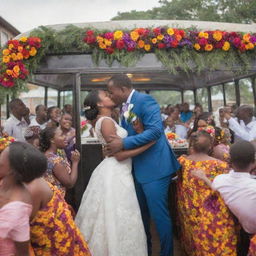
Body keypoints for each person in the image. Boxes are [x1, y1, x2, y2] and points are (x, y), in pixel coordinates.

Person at [105, 74, 180, 256]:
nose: (110, 96)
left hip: (155, 166)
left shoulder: (145, 100)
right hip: (136, 167)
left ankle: (166, 253)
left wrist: (123, 143)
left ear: (123, 89)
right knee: (141, 215)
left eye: (111, 92)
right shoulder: (124, 106)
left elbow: (155, 131)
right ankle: (145, 250)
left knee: (158, 215)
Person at [75, 90, 150, 256]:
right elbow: (119, 154)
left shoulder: (109, 119)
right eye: (106, 96)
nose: (110, 96)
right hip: (116, 172)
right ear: (100, 104)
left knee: (116, 213)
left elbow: (118, 147)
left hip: (118, 170)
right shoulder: (106, 121)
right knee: (118, 212)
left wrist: (138, 132)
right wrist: (148, 143)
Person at [177, 131, 238, 255]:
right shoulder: (220, 165)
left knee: (192, 232)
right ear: (210, 147)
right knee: (209, 238)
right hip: (211, 212)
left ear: (191, 146)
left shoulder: (183, 161)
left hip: (189, 207)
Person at [193, 140, 256, 256]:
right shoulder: (253, 186)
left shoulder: (220, 180)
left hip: (241, 234)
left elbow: (214, 187)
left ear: (230, 161)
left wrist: (204, 177)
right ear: (253, 163)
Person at [0, 142, 46, 256]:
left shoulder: (17, 209)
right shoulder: (5, 183)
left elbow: (22, 252)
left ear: (12, 170)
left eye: (1, 160)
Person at [39, 126, 80, 197]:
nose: (65, 137)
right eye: (61, 135)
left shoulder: (46, 154)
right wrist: (75, 162)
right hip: (56, 200)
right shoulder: (55, 161)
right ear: (52, 140)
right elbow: (70, 183)